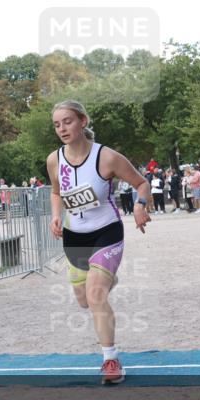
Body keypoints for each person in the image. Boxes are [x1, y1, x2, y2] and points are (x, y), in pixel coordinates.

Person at [47, 100, 151, 385]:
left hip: (106, 231)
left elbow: (142, 183)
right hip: (75, 237)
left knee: (95, 295)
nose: (62, 128)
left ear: (82, 121)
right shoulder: (54, 159)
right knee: (84, 300)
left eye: (67, 121)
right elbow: (56, 192)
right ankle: (104, 281)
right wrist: (56, 215)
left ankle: (110, 360)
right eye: (57, 124)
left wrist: (141, 205)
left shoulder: (107, 157)